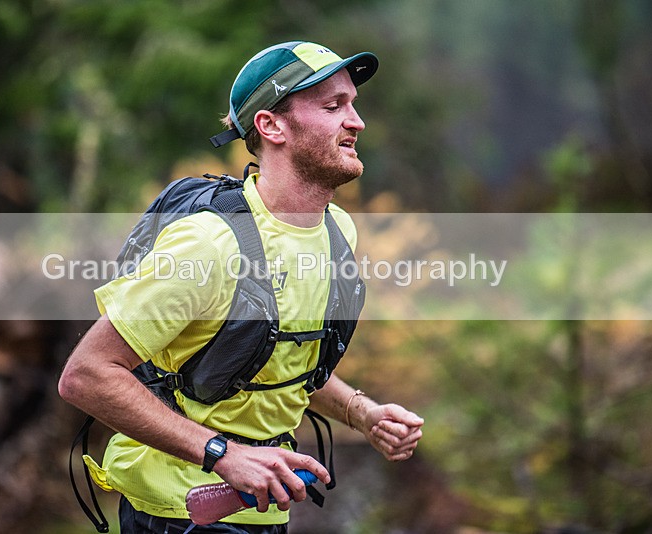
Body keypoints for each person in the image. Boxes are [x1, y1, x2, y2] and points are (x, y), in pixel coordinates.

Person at [58, 40, 424, 534]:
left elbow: (277, 365)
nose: (356, 122)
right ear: (271, 126)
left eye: (353, 105)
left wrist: (364, 414)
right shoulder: (209, 243)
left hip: (262, 507)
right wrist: (223, 455)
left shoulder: (337, 231)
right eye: (333, 106)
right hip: (179, 512)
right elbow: (86, 375)